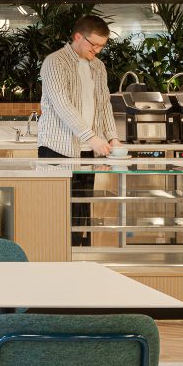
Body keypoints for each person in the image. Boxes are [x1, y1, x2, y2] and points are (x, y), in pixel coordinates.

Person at [37, 15, 122, 245]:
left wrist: (112, 138)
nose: (98, 50)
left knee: (81, 211)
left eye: (102, 46)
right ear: (77, 37)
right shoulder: (55, 62)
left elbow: (104, 104)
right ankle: (54, 258)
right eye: (94, 44)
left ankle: (79, 258)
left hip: (88, 151)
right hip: (57, 148)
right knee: (57, 211)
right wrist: (92, 137)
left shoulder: (98, 66)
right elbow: (62, 104)